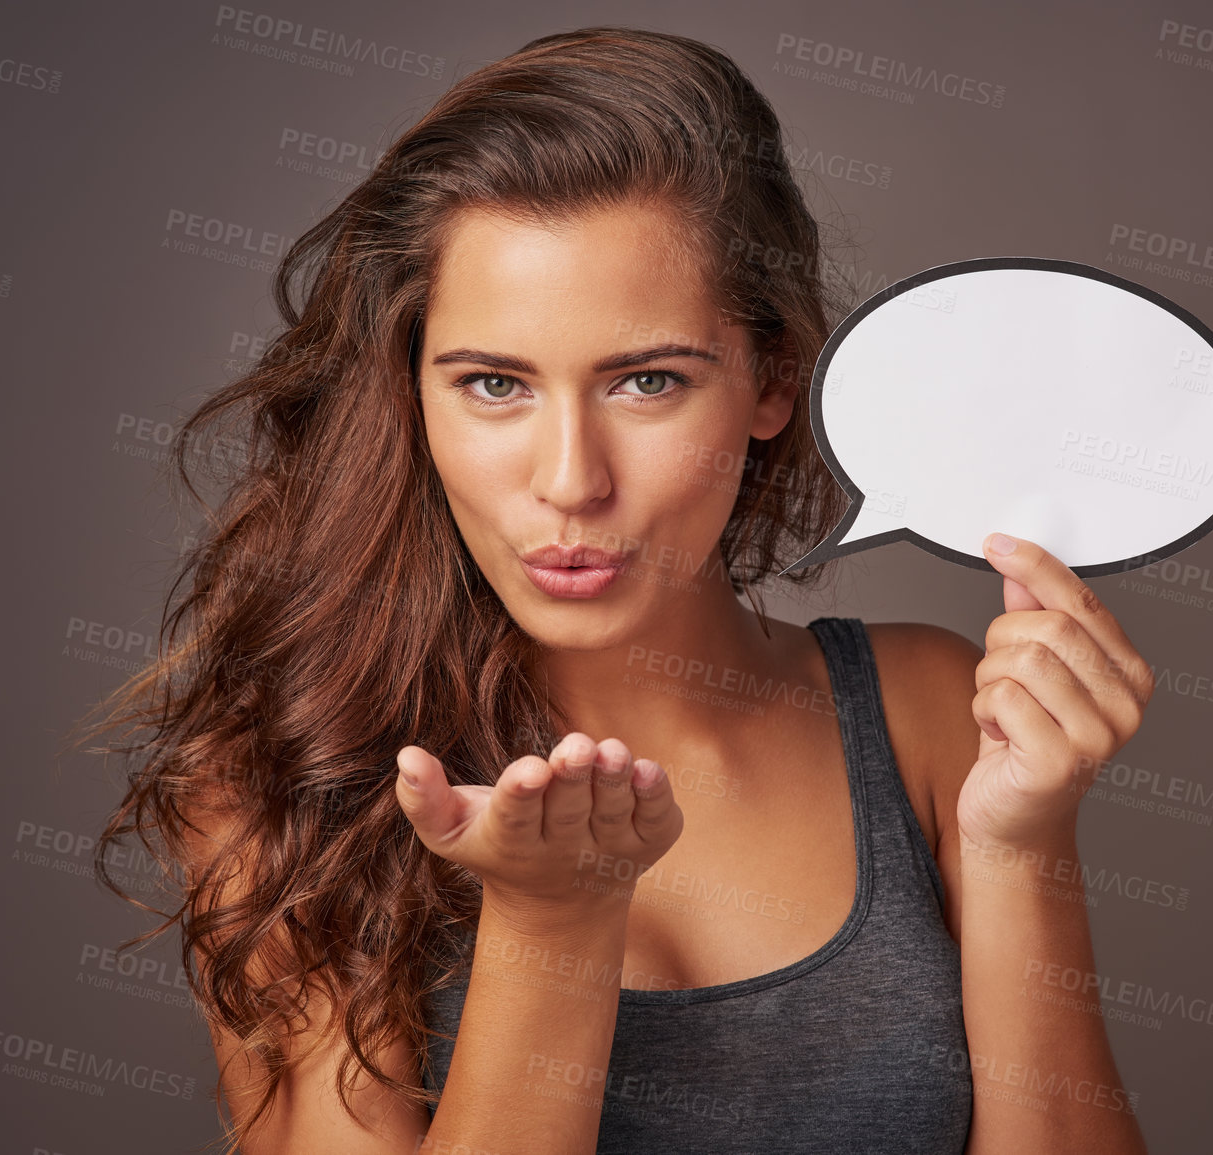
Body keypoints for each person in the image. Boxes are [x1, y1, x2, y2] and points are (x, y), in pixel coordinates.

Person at [85, 26, 1153, 1155]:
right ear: (415, 395)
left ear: (772, 381)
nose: (569, 482)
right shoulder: (293, 779)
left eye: (648, 382)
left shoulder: (932, 712)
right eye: (494, 384)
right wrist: (554, 920)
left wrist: (1022, 847)